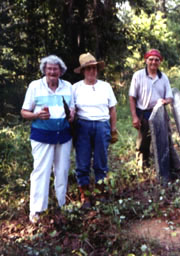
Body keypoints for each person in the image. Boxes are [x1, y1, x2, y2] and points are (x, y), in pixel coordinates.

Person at [21, 55, 74, 223]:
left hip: (63, 136)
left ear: (61, 71)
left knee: (62, 170)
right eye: (49, 69)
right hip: (42, 136)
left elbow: (72, 111)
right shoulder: (35, 86)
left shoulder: (68, 87)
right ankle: (37, 211)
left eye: (55, 69)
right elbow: (24, 112)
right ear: (44, 70)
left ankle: (61, 204)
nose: (52, 72)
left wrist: (72, 114)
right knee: (41, 171)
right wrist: (36, 114)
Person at [73, 53, 118, 208]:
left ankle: (101, 191)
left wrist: (113, 129)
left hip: (101, 125)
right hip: (83, 126)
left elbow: (112, 110)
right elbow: (71, 111)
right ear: (83, 71)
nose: (91, 71)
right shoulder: (75, 88)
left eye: (94, 68)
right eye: (88, 69)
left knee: (101, 161)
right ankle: (84, 195)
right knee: (83, 162)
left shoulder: (105, 86)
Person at [128, 49, 180, 175]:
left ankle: (173, 167)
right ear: (146, 60)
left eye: (156, 60)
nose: (153, 62)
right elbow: (132, 97)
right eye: (151, 59)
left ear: (160, 62)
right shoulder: (138, 76)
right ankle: (141, 169)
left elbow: (169, 97)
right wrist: (134, 117)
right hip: (143, 113)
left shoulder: (163, 78)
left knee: (166, 141)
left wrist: (164, 101)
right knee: (143, 144)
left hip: (159, 113)